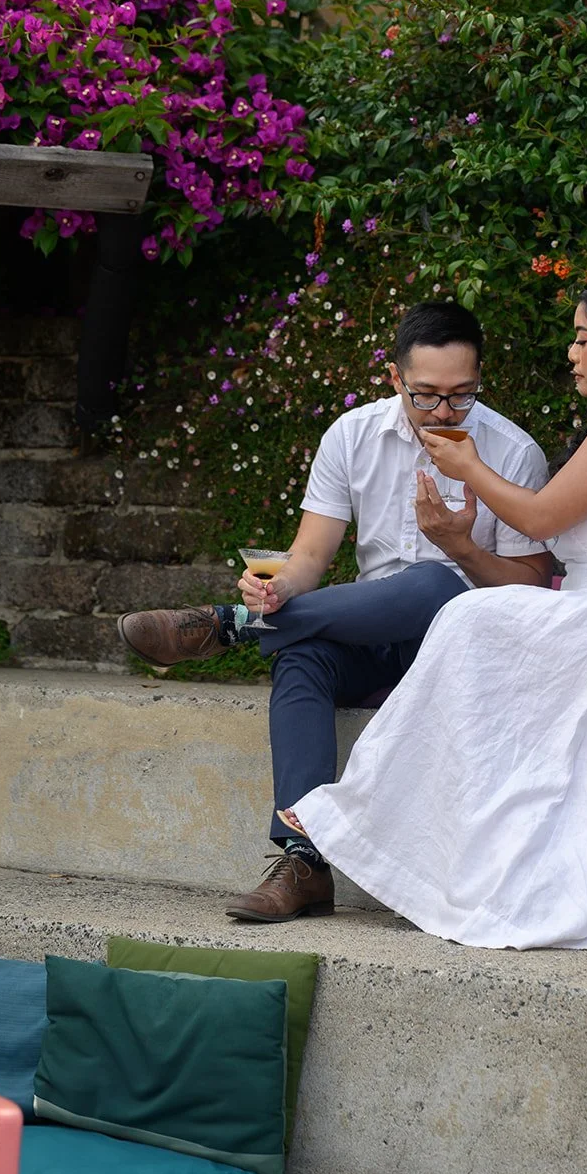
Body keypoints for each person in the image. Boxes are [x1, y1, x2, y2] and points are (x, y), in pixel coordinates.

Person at [281, 275, 587, 951]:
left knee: (466, 617)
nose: (571, 353)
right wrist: (461, 537)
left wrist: (468, 468)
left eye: (582, 338)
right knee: (461, 619)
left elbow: (541, 519)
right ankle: (348, 817)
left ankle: (352, 807)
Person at [117, 301, 552, 921]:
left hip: (462, 646)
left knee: (433, 582)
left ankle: (229, 627)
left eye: (462, 395)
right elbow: (309, 557)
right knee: (302, 657)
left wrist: (460, 547)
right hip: (370, 630)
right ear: (395, 378)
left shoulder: (511, 451)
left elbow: (531, 588)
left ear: (480, 379)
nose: (444, 412)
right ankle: (304, 861)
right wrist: (274, 590)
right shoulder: (352, 435)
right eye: (427, 395)